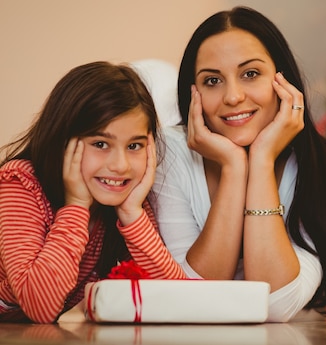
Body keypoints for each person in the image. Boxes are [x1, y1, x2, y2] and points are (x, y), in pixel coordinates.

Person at [149, 6, 326, 322]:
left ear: (283, 81)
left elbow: (276, 303)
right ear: (192, 93)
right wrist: (234, 166)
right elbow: (193, 295)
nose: (232, 96)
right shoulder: (168, 154)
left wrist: (260, 161)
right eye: (212, 81)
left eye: (250, 74)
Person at [0, 62, 187, 323]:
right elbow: (39, 308)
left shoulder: (126, 204)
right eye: (101, 144)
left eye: (134, 145)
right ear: (62, 141)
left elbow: (179, 299)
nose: (120, 165)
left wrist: (132, 214)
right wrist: (76, 205)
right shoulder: (21, 182)